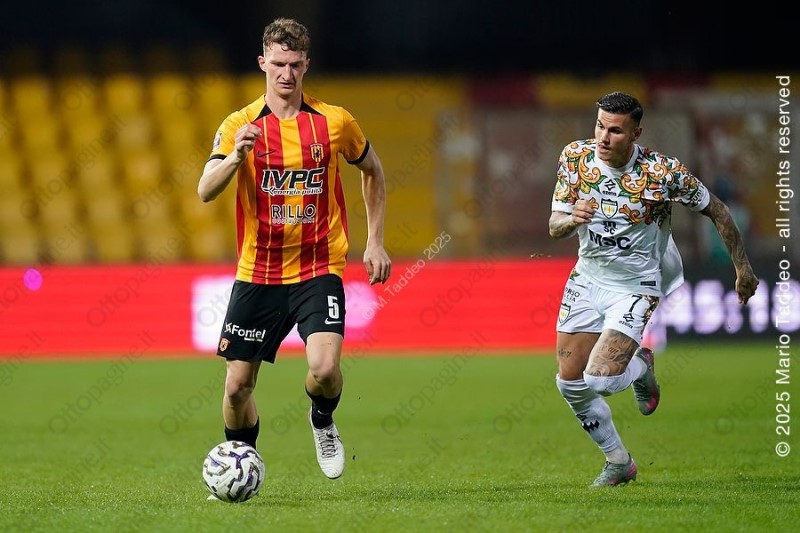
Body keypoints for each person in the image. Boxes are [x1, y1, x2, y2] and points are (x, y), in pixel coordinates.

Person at [197, 17, 391, 483]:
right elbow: (205, 190)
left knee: (325, 369)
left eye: (295, 65)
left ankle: (322, 420)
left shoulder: (334, 121)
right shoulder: (239, 124)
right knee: (237, 387)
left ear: (306, 65)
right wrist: (236, 157)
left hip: (318, 265)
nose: (286, 74)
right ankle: (241, 466)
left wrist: (376, 241)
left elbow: (373, 170)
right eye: (278, 64)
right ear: (262, 62)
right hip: (258, 271)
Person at [548, 91, 758, 487]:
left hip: (635, 286)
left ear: (635, 134)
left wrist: (743, 266)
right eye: (599, 126)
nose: (603, 138)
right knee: (569, 382)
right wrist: (572, 218)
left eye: (615, 131)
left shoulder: (662, 173)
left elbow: (717, 209)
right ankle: (618, 462)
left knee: (600, 380)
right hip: (586, 278)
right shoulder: (575, 157)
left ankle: (641, 366)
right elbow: (554, 226)